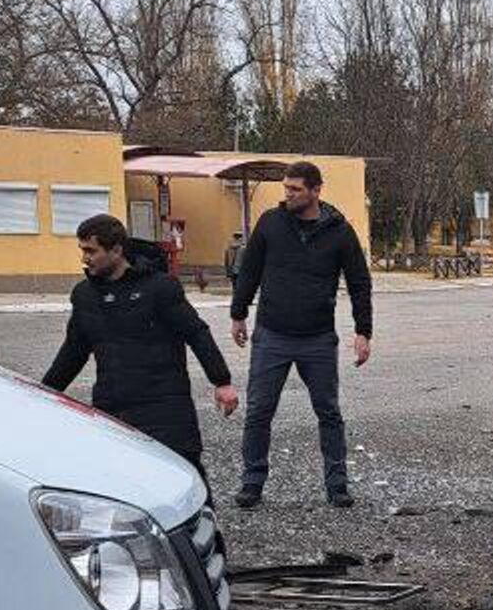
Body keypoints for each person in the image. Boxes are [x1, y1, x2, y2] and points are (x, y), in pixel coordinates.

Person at [42, 214, 239, 481]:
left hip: (165, 405)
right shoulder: (84, 295)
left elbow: (196, 332)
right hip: (112, 405)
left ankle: (204, 524)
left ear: (116, 250)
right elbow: (74, 350)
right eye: (82, 251)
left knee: (184, 476)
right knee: (122, 484)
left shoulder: (159, 287)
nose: (85, 258)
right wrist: (45, 392)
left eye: (91, 251)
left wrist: (222, 381)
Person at [228, 161, 374, 509]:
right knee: (259, 411)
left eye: (295, 190)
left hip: (318, 339)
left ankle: (337, 485)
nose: (288, 195)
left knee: (329, 412)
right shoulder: (270, 223)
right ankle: (252, 482)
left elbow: (359, 283)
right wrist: (238, 313)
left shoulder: (339, 231)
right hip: (271, 335)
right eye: (286, 189)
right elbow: (249, 270)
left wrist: (363, 330)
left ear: (315, 190)